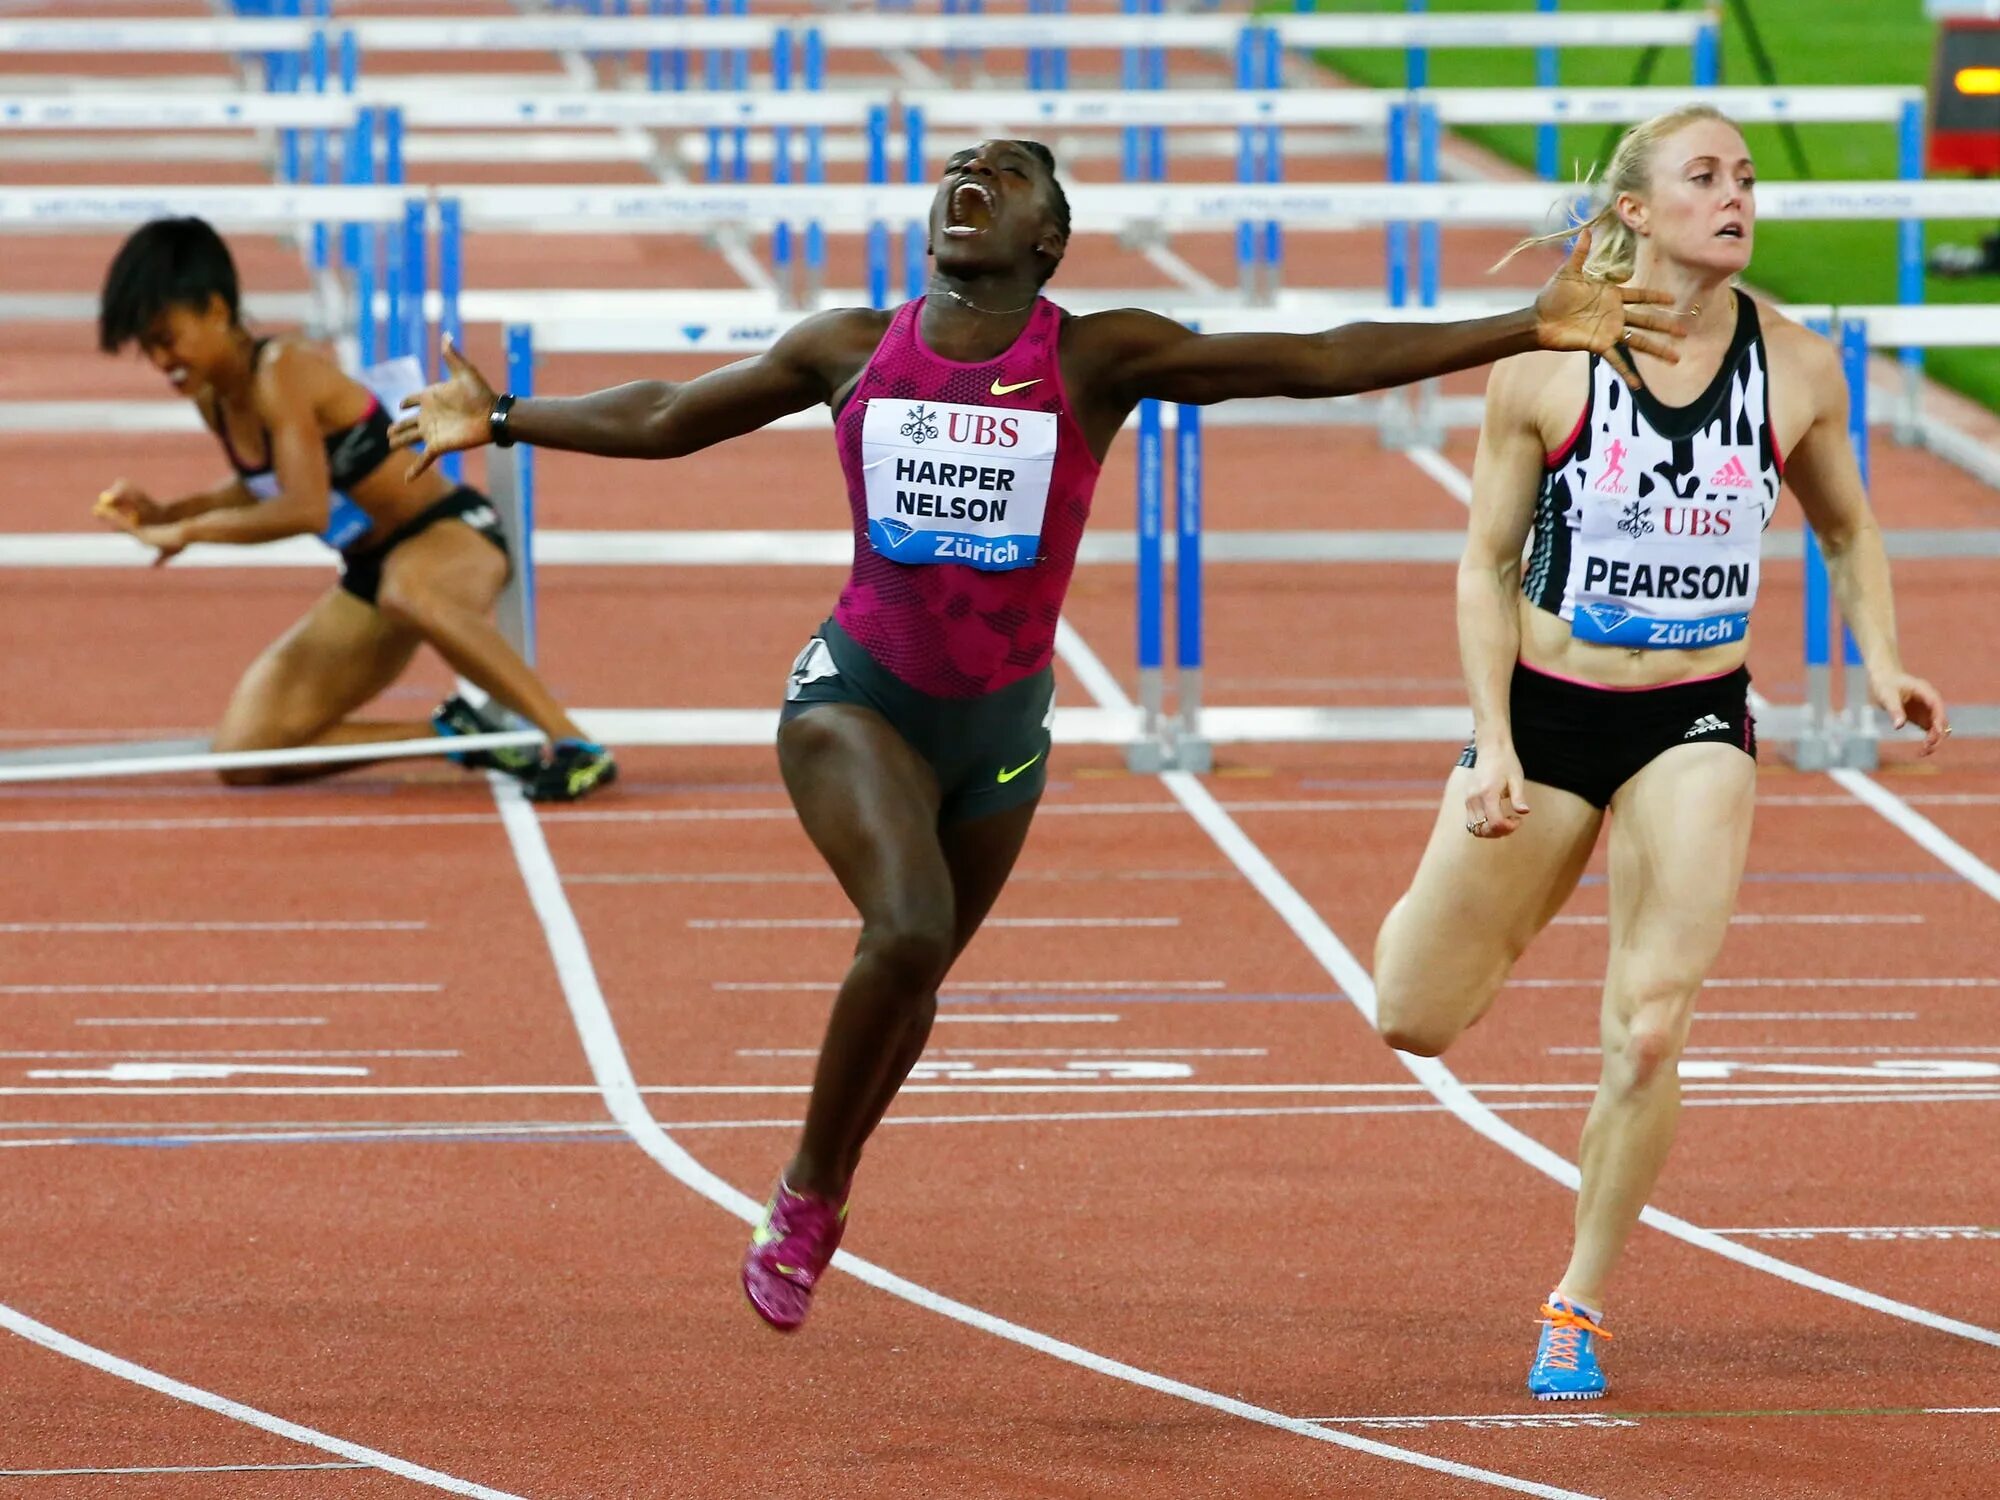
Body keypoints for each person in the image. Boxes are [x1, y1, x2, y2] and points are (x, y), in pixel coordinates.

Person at [392, 137, 1683, 1333]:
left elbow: (1309, 356)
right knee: (901, 928)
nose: (973, 178)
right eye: (961, 168)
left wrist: (1527, 322)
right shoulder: (851, 344)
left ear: (1048, 242)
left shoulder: (1095, 357)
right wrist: (500, 418)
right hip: (856, 698)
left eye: (1007, 177)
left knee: (918, 976)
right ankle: (808, 1191)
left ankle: (829, 1177)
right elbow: (672, 413)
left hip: (1003, 736)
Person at [1369, 106, 1949, 1400]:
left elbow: (1848, 533)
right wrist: (1494, 743)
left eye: (1745, 177)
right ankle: (1466, 907)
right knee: (1414, 1014)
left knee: (1646, 1030)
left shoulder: (1796, 367)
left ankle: (1577, 1297)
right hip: (1547, 708)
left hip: (1693, 720)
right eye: (1706, 178)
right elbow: (1482, 562)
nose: (1737, 196)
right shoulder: (1547, 366)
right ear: (1636, 211)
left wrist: (1882, 657)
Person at [93, 216, 615, 802]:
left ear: (216, 308)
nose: (162, 361)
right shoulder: (215, 398)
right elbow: (265, 484)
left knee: (408, 589)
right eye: (148, 348)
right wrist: (167, 511)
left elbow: (304, 508)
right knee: (244, 752)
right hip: (373, 574)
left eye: (167, 338)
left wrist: (189, 531)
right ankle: (458, 736)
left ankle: (577, 746)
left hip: (450, 532)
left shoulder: (280, 372)